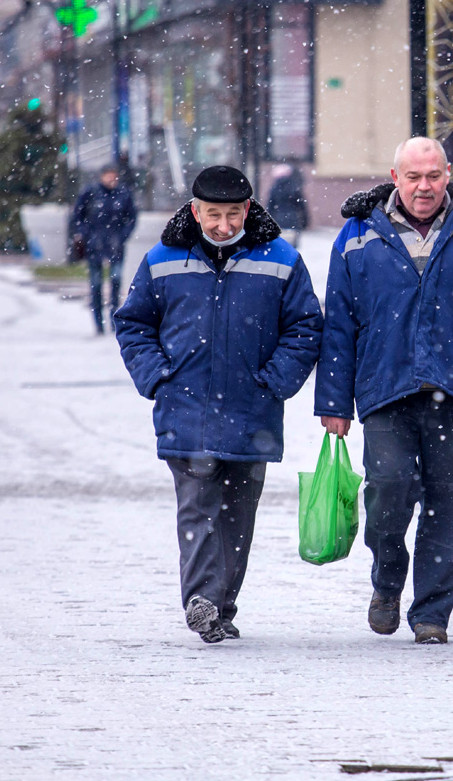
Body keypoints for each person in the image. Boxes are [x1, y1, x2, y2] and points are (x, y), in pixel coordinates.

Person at [314, 136, 453, 645]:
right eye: (413, 177)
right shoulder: (356, 236)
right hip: (384, 389)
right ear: (396, 178)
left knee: (447, 502)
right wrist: (333, 402)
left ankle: (432, 611)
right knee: (386, 492)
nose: (424, 186)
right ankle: (389, 576)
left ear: (447, 174)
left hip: (452, 388)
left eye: (433, 176)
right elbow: (339, 327)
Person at [115, 165, 322, 642]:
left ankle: (221, 605)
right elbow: (134, 324)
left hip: (254, 410)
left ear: (248, 209)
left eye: (233, 214)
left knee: (237, 516)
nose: (224, 225)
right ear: (195, 210)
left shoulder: (281, 259)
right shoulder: (163, 259)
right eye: (214, 214)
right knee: (198, 505)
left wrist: (275, 381)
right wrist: (157, 377)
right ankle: (201, 599)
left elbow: (306, 327)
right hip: (184, 408)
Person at [72, 164, 138, 335]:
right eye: (109, 176)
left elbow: (131, 217)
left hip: (115, 245)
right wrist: (85, 235)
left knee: (116, 281)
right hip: (94, 245)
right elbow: (78, 215)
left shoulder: (123, 194)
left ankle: (113, 319)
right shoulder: (91, 193)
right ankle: (98, 323)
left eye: (114, 176)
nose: (111, 180)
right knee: (96, 284)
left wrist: (123, 235)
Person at [266, 161, 310, 247]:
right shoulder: (295, 188)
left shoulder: (274, 189)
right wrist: (305, 221)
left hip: (278, 222)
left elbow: (269, 207)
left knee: (279, 249)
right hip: (293, 222)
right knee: (292, 249)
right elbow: (302, 206)